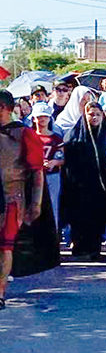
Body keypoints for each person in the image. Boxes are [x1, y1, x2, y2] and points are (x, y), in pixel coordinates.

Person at [0, 91, 47, 308]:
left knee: (4, 247)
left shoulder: (23, 134)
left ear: (3, 107)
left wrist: (36, 203)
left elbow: (37, 171)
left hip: (10, 199)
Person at [60, 102, 106, 261]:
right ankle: (79, 247)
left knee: (98, 216)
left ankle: (94, 249)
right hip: (79, 184)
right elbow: (68, 158)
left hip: (101, 184)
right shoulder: (75, 134)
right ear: (85, 115)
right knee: (79, 216)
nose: (94, 117)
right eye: (91, 114)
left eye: (98, 114)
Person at [31, 102, 64, 230]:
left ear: (50, 118)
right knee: (34, 205)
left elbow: (62, 158)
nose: (42, 119)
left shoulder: (56, 138)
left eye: (45, 116)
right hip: (33, 176)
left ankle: (53, 235)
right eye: (39, 116)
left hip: (52, 176)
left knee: (53, 205)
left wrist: (54, 162)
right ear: (34, 118)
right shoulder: (29, 136)